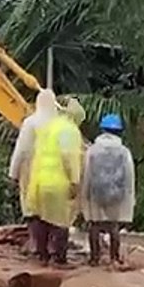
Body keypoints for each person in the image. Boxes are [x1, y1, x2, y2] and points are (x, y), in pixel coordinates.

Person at [25, 96, 85, 266]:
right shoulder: (70, 131)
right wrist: (74, 181)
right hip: (58, 182)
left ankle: (42, 255)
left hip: (38, 179)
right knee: (61, 221)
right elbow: (69, 157)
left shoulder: (49, 126)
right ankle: (59, 257)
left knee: (42, 218)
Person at [9, 89, 60, 254]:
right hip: (56, 173)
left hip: (31, 172)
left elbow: (21, 149)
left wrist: (13, 173)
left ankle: (36, 244)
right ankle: (53, 245)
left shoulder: (31, 123)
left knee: (32, 210)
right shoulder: (61, 123)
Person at [81, 113, 136, 266]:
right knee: (113, 226)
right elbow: (129, 176)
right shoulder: (124, 152)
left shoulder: (92, 150)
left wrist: (84, 195)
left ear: (102, 130)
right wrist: (129, 197)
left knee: (94, 224)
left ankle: (94, 258)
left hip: (95, 193)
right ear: (119, 131)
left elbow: (86, 173)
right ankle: (114, 257)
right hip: (117, 194)